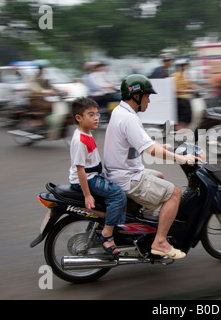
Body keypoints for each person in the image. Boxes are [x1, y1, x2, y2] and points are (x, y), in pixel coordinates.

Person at [103, 74, 199, 260]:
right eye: (147, 95)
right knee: (175, 193)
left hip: (120, 172)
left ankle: (144, 226)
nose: (149, 100)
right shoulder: (129, 118)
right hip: (128, 178)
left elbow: (134, 141)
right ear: (136, 96)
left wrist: (156, 145)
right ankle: (160, 241)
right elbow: (149, 149)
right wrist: (180, 157)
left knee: (160, 176)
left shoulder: (120, 111)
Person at [69, 97, 127, 255]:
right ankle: (107, 235)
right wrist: (87, 195)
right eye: (91, 115)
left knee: (122, 186)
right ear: (79, 118)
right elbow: (80, 170)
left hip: (93, 175)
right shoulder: (80, 140)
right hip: (87, 179)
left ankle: (119, 228)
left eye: (97, 114)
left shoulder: (86, 133)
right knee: (117, 195)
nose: (96, 118)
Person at [170, 58, 197, 130]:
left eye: (186, 65)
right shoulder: (175, 75)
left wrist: (194, 87)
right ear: (180, 66)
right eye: (184, 65)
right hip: (179, 100)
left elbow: (187, 84)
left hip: (185, 99)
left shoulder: (185, 74)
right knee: (181, 120)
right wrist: (187, 91)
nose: (186, 67)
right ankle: (178, 135)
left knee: (186, 119)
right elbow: (173, 89)